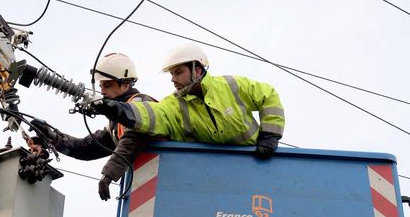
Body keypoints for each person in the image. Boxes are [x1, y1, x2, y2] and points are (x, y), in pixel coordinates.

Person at [89, 43, 285, 158]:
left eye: (179, 72)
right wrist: (113, 108)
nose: (173, 79)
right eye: (172, 74)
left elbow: (268, 95)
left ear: (197, 70)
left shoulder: (231, 86)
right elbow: (152, 114)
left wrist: (270, 135)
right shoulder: (174, 105)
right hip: (211, 170)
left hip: (254, 159)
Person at [30, 53, 155, 200]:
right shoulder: (116, 126)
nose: (102, 91)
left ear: (126, 83)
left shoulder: (141, 104)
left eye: (107, 85)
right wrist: (51, 136)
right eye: (101, 85)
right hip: (149, 187)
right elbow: (85, 149)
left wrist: (109, 173)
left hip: (164, 177)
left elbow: (132, 139)